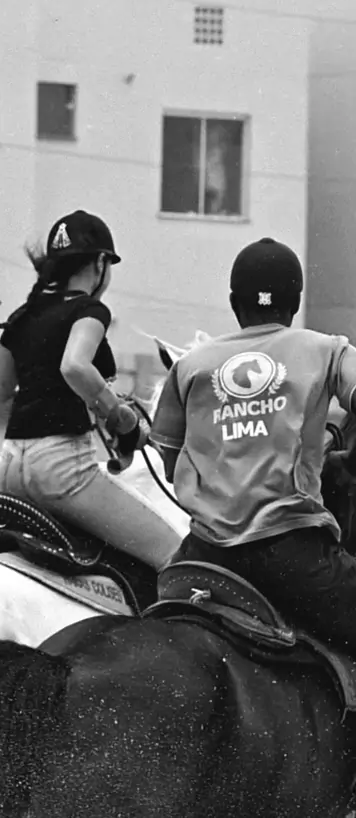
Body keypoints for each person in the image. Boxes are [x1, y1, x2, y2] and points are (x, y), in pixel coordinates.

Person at [150, 236, 356, 654]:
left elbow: (169, 464)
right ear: (295, 303)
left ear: (234, 303)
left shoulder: (189, 365)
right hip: (293, 554)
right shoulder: (327, 350)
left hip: (202, 557)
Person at [0, 209, 181, 570]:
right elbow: (74, 366)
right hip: (61, 468)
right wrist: (120, 418)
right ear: (101, 263)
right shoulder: (90, 310)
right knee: (177, 557)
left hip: (8, 467)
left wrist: (45, 404)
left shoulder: (22, 316)